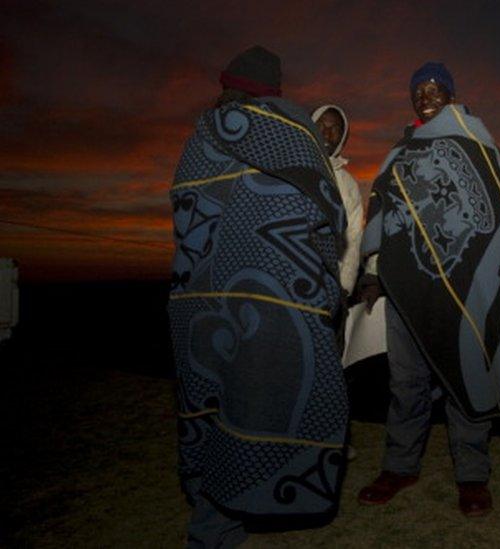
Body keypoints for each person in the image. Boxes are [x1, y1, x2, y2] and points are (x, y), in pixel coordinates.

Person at [357, 62, 500, 517]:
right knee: (406, 381)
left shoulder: (475, 141)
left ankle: (471, 475)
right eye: (418, 90)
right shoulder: (400, 151)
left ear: (450, 95)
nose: (425, 96)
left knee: (465, 372)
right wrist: (372, 271)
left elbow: (498, 212)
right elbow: (382, 211)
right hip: (406, 285)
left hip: (462, 282)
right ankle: (400, 466)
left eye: (435, 89)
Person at [168, 45, 349, 548]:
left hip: (200, 301)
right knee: (266, 406)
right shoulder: (291, 136)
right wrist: (321, 288)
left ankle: (213, 526)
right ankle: (237, 507)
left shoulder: (198, 139)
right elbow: (327, 216)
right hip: (274, 306)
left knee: (216, 406)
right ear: (275, 90)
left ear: (228, 85)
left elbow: (185, 216)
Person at [311, 104, 364, 296]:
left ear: (342, 137)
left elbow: (353, 239)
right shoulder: (292, 167)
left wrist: (344, 287)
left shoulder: (348, 185)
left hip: (328, 284)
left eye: (335, 129)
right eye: (321, 125)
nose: (326, 133)